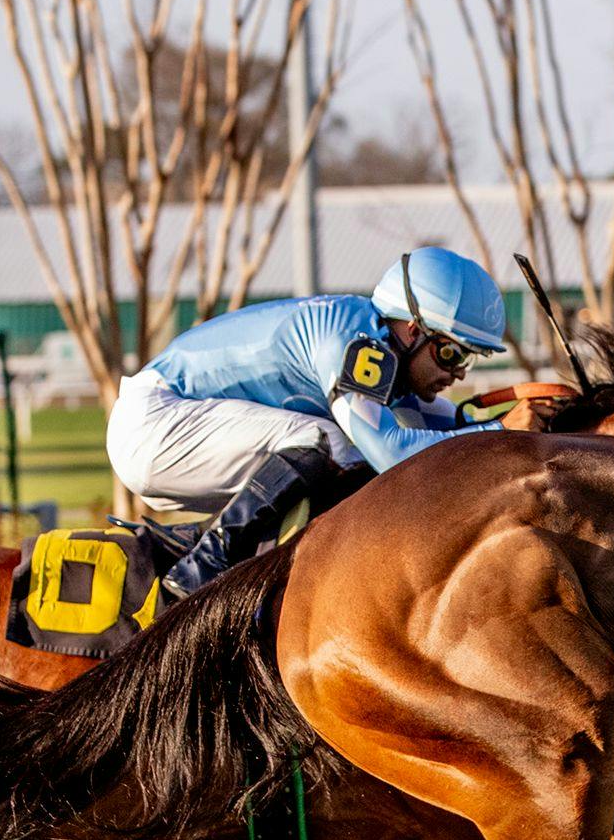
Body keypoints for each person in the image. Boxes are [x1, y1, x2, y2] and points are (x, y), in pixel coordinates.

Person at [106, 248, 510, 598]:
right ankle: (205, 568)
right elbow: (393, 452)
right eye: (453, 355)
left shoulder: (378, 343)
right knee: (330, 442)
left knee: (337, 452)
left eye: (471, 360)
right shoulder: (353, 343)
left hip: (172, 431)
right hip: (153, 427)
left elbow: (443, 420)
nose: (459, 374)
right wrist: (500, 433)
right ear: (412, 330)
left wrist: (507, 424)